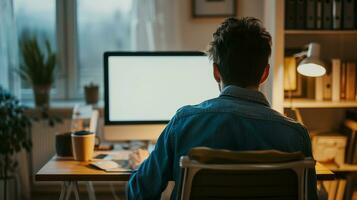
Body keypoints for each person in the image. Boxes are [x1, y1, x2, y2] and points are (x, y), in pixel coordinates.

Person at [127, 17, 317, 199]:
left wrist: (142, 167)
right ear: (264, 74)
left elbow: (139, 193)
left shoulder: (184, 123)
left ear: (216, 72)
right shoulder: (296, 136)